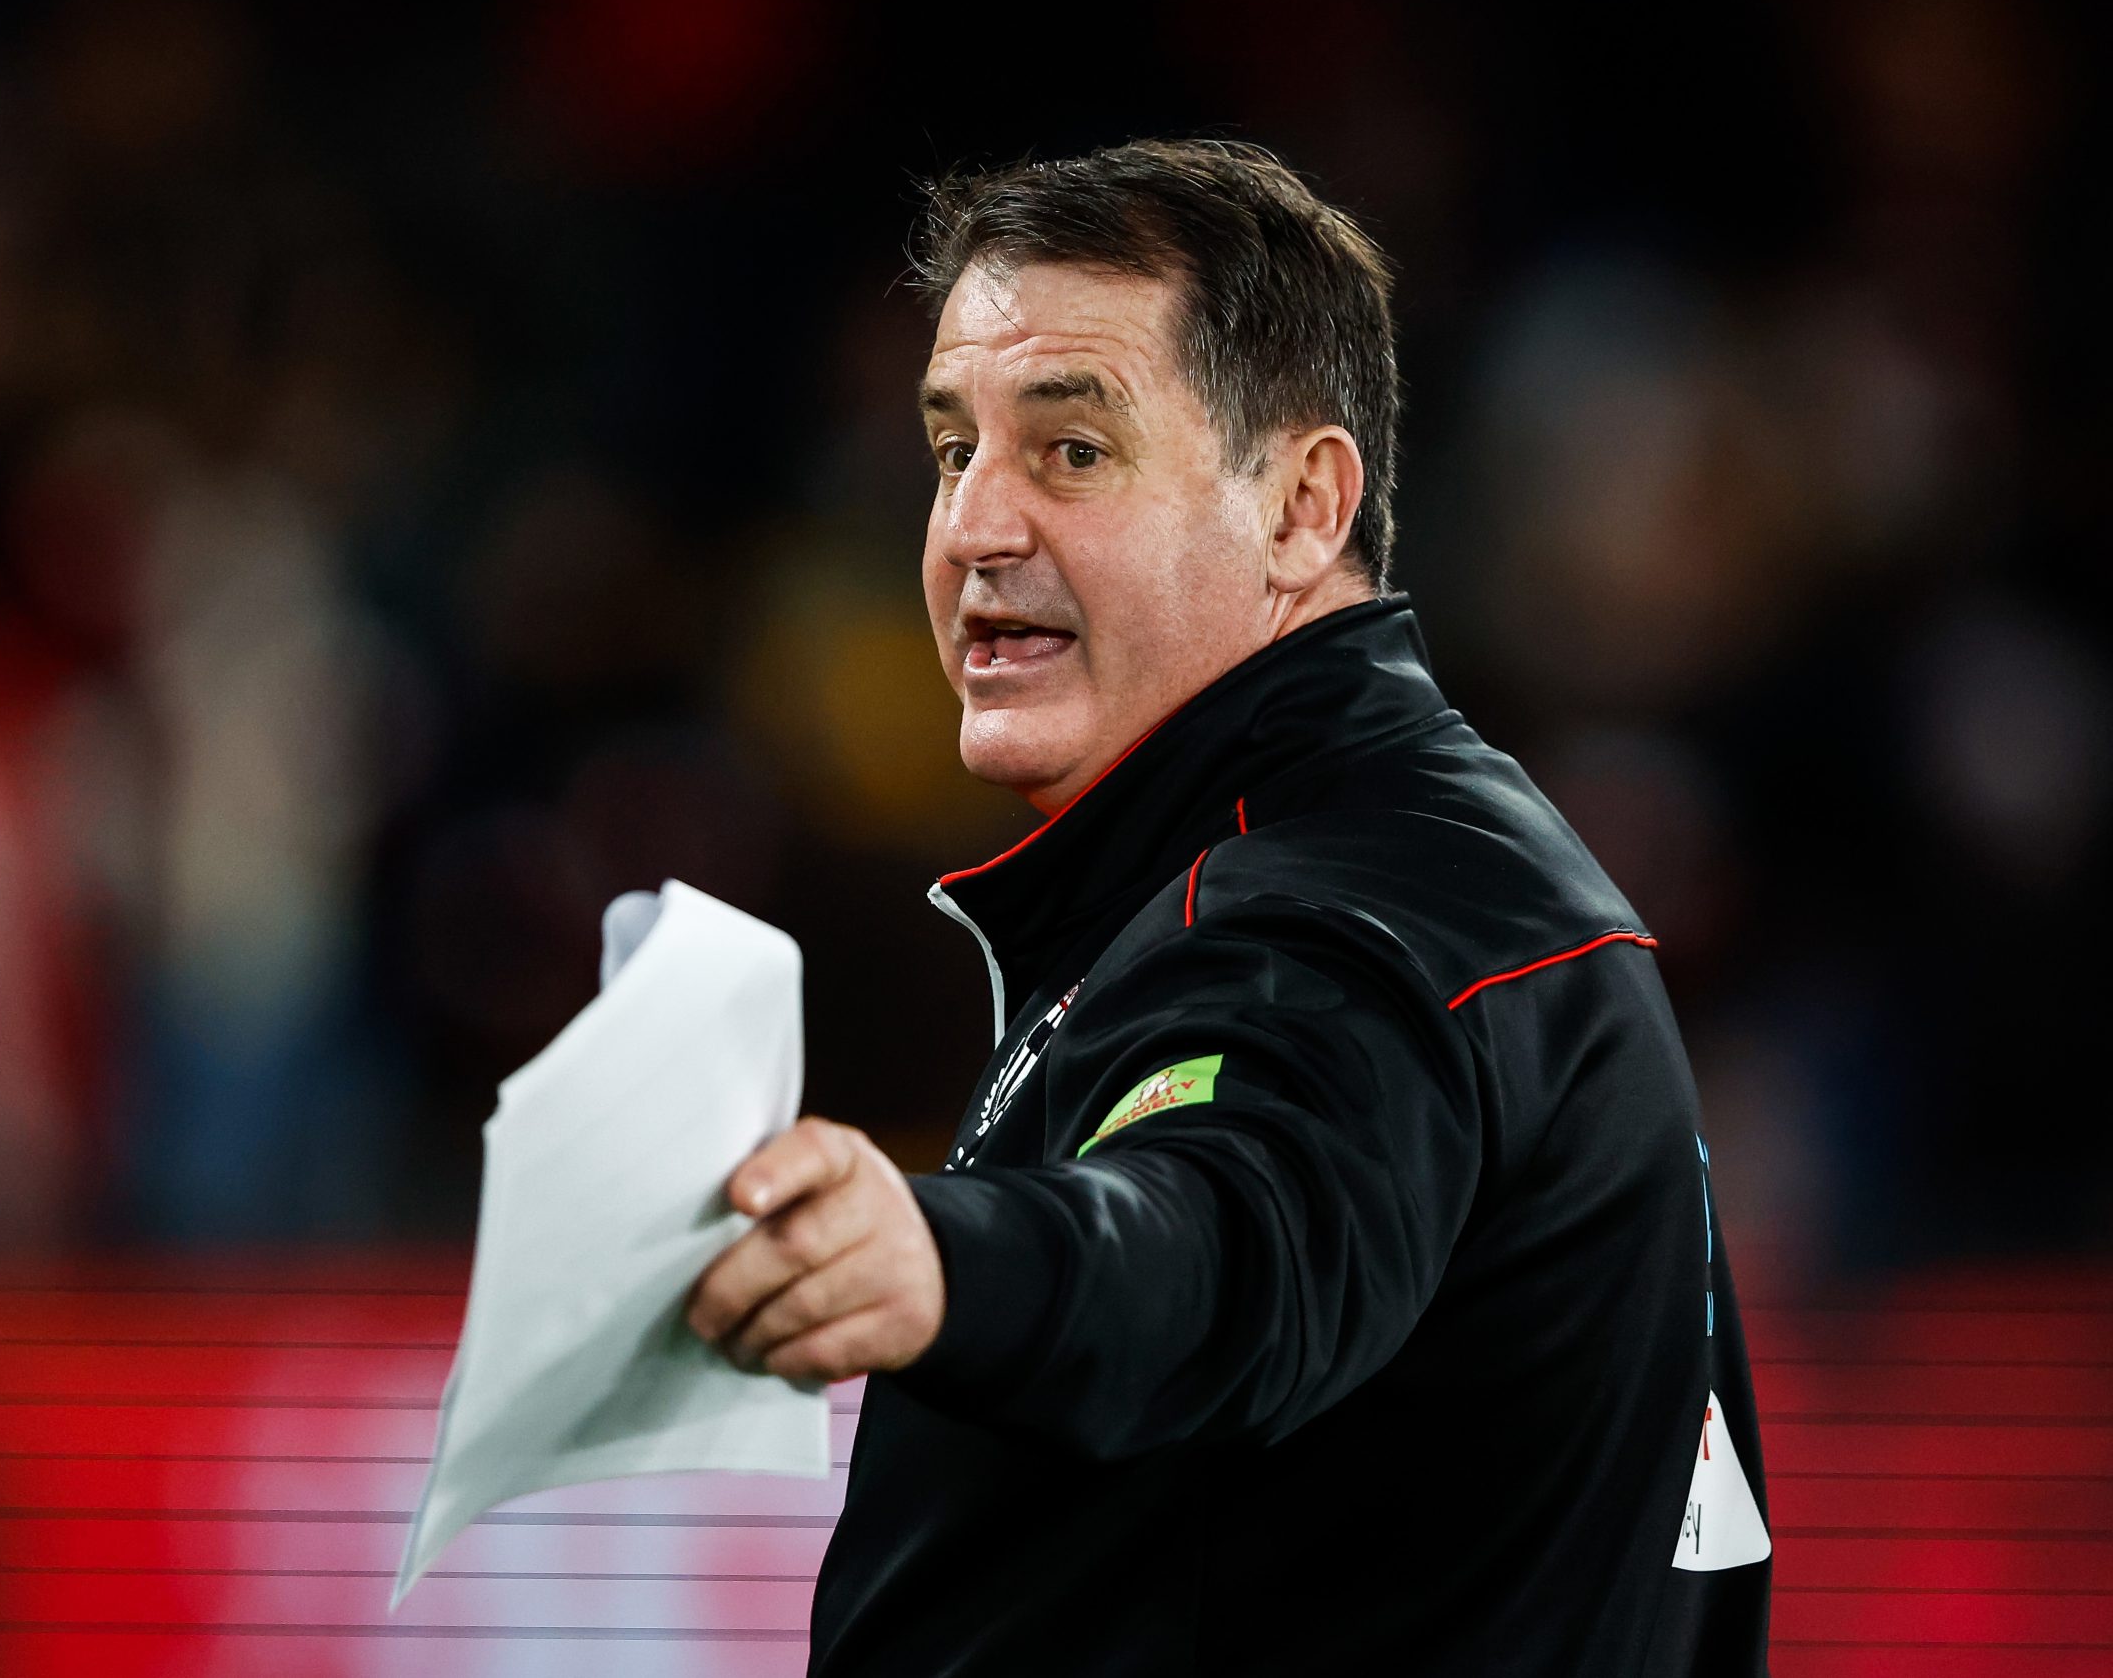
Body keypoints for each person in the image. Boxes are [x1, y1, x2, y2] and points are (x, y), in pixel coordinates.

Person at [685, 138, 1771, 1675]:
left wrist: (949, 1259)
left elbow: (1228, 1236)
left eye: (1072, 450)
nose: (971, 530)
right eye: (949, 451)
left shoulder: (1347, 913)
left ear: (1304, 504)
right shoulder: (1381, 858)